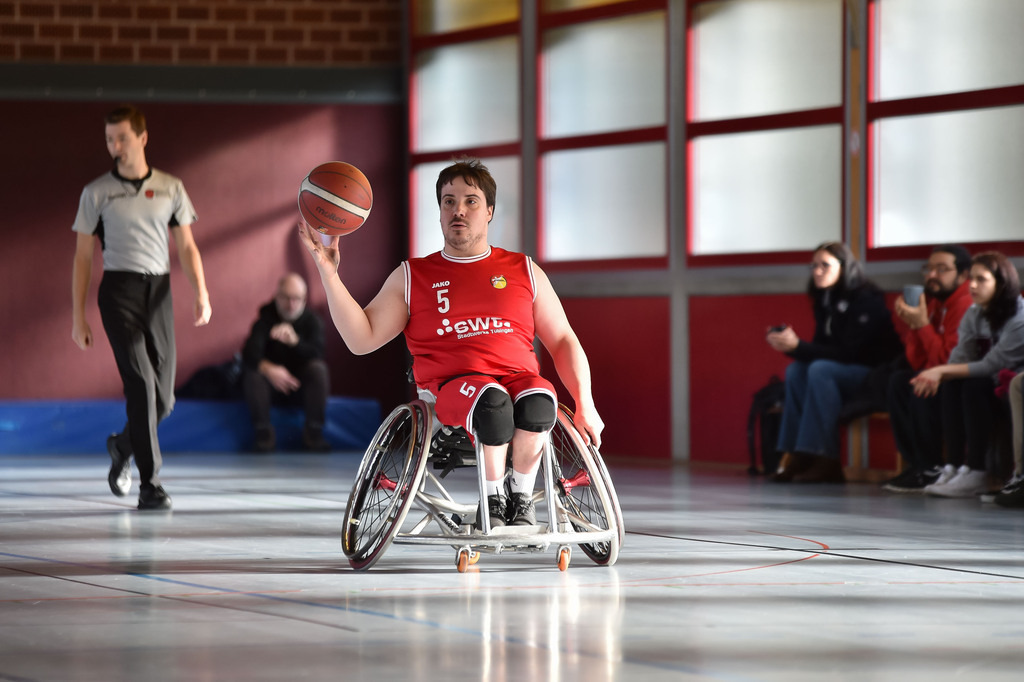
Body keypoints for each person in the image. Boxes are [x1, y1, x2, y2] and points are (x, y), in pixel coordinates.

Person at [297, 158, 603, 529]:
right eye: (448, 201)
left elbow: (563, 340)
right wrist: (329, 274)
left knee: (541, 400)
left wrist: (585, 402)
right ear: (439, 212)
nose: (458, 210)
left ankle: (519, 497)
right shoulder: (413, 275)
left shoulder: (524, 270)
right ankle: (491, 500)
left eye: (471, 201)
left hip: (516, 381)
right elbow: (361, 339)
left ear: (489, 211)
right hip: (451, 391)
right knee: (493, 403)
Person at [71, 104, 212, 511]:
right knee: (141, 384)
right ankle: (150, 485)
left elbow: (186, 245)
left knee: (164, 400)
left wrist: (201, 293)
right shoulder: (96, 192)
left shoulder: (170, 187)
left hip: (159, 292)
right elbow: (82, 257)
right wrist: (77, 315)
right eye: (109, 139)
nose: (115, 146)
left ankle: (121, 445)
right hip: (118, 292)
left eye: (122, 138)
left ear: (142, 138)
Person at [766, 242, 903, 484]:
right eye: (813, 265)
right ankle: (796, 454)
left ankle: (824, 458)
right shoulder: (825, 298)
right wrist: (790, 347)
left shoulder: (865, 299)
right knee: (796, 370)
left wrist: (799, 347)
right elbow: (822, 348)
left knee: (820, 370)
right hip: (839, 369)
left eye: (824, 265)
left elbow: (850, 353)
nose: (817, 271)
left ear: (844, 267)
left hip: (874, 373)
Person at [911, 251, 1024, 498]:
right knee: (952, 384)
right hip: (987, 386)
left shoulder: (1019, 318)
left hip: (1009, 386)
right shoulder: (974, 313)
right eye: (971, 278)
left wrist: (939, 370)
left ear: (1001, 283)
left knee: (972, 384)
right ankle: (953, 467)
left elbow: (991, 365)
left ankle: (977, 471)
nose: (972, 285)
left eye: (981, 279)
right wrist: (942, 374)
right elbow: (960, 357)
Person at [882, 245, 973, 493]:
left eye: (942, 269)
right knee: (900, 381)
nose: (932, 275)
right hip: (939, 373)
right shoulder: (933, 303)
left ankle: (931, 466)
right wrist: (915, 324)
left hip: (964, 377)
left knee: (922, 386)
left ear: (963, 275)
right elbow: (918, 362)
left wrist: (922, 325)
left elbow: (947, 360)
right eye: (929, 269)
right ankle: (918, 464)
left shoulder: (965, 303)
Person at [241, 273, 330, 453]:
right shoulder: (264, 320)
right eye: (286, 298)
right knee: (253, 375)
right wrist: (269, 369)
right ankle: (263, 435)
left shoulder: (312, 322)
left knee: (318, 369)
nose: (291, 305)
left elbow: (317, 352)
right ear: (277, 297)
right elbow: (249, 354)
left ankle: (313, 433)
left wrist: (295, 342)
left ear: (304, 300)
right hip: (269, 390)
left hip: (300, 388)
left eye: (296, 299)